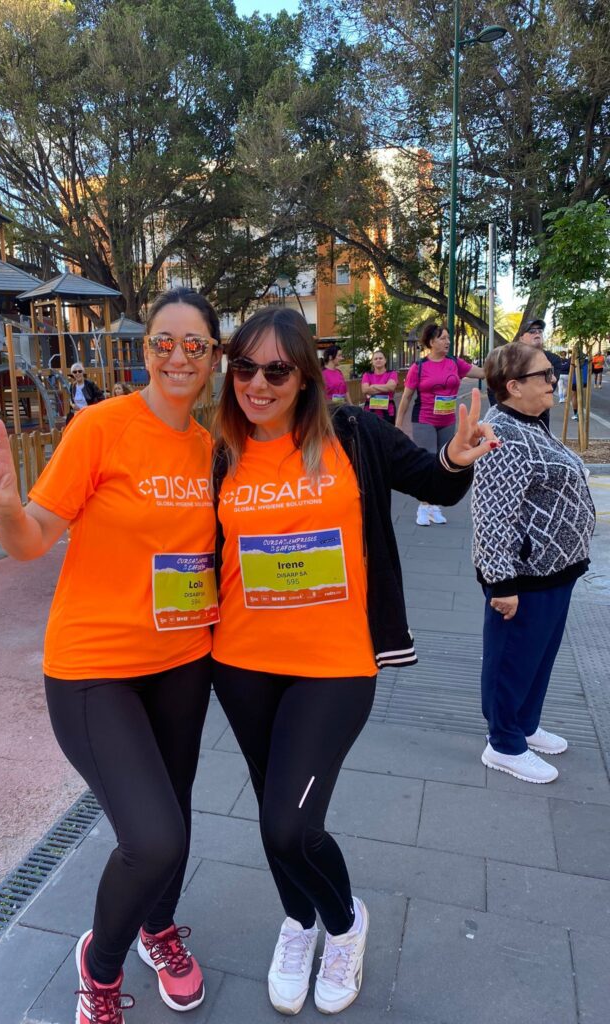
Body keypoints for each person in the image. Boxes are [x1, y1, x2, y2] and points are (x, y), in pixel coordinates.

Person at [210, 307, 498, 1016]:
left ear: (306, 376)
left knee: (290, 824)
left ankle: (343, 925)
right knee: (272, 809)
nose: (257, 383)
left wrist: (457, 457)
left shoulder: (350, 433)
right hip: (241, 661)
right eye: (244, 367)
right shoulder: (220, 451)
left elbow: (435, 482)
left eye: (276, 370)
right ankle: (298, 921)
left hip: (335, 664)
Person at [0, 289, 222, 1024]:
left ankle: (158, 930)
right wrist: (8, 511)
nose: (177, 357)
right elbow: (34, 538)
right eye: (163, 342)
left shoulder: (210, 449)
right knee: (153, 837)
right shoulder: (100, 426)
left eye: (194, 345)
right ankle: (99, 969)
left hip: (182, 660)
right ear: (145, 351)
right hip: (94, 668)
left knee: (175, 816)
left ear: (212, 357)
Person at [472, 342, 595, 784]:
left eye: (552, 372)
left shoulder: (531, 423)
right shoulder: (500, 434)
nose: (553, 380)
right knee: (512, 661)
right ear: (513, 386)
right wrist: (501, 583)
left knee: (539, 657)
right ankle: (503, 744)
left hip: (556, 570)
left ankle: (524, 724)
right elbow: (491, 515)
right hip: (524, 577)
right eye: (544, 374)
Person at [394, 323, 485, 526]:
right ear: (431, 341)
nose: (447, 342)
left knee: (444, 462)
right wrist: (398, 425)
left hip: (447, 420)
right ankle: (423, 506)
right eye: (443, 338)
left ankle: (434, 506)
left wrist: (501, 364)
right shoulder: (419, 367)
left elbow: (481, 373)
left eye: (448, 338)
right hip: (424, 419)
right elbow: (406, 397)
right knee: (428, 461)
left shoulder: (455, 363)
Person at [360, 349, 398, 424]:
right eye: (375, 359)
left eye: (380, 358)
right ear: (372, 362)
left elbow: (391, 387)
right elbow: (365, 390)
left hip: (388, 413)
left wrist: (373, 386)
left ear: (385, 360)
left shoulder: (392, 373)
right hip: (370, 412)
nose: (378, 360)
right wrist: (385, 388)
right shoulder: (367, 375)